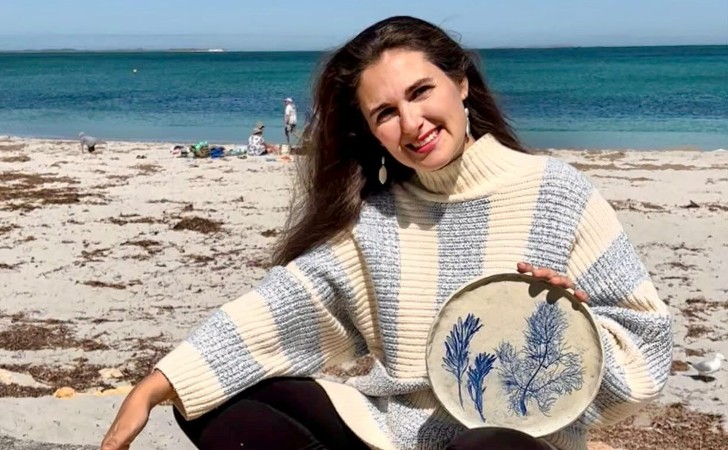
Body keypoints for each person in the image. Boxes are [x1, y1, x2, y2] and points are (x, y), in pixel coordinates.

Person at [101, 16, 672, 450]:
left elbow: (646, 339)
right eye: (385, 113)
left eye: (421, 92)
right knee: (207, 396)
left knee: (487, 444)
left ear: (462, 84)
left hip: (515, 439)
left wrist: (579, 324)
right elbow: (283, 305)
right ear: (372, 132)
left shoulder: (558, 193)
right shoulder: (376, 219)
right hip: (396, 434)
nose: (412, 124)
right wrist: (160, 381)